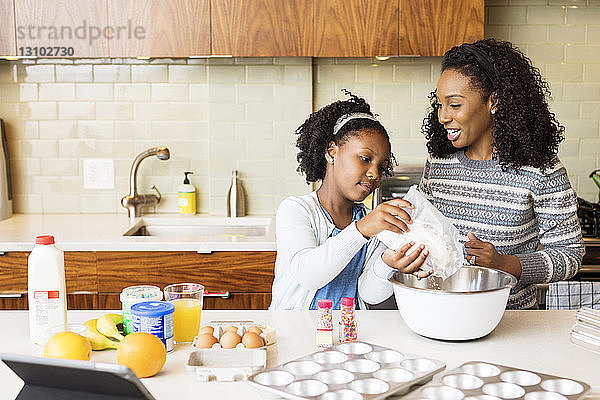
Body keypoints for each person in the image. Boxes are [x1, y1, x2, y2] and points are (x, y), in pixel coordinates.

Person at [417, 38, 583, 309]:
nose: (442, 116)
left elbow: (571, 255)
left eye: (454, 105)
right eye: (439, 104)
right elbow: (425, 233)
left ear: (494, 101)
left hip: (511, 325)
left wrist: (505, 264)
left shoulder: (541, 170)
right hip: (439, 315)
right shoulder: (438, 162)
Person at [269, 91, 429, 310]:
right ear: (332, 152)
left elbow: (368, 294)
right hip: (298, 333)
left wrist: (387, 264)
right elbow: (308, 275)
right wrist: (362, 229)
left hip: (349, 337)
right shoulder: (297, 210)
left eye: (382, 167)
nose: (374, 173)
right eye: (365, 159)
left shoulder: (371, 223)